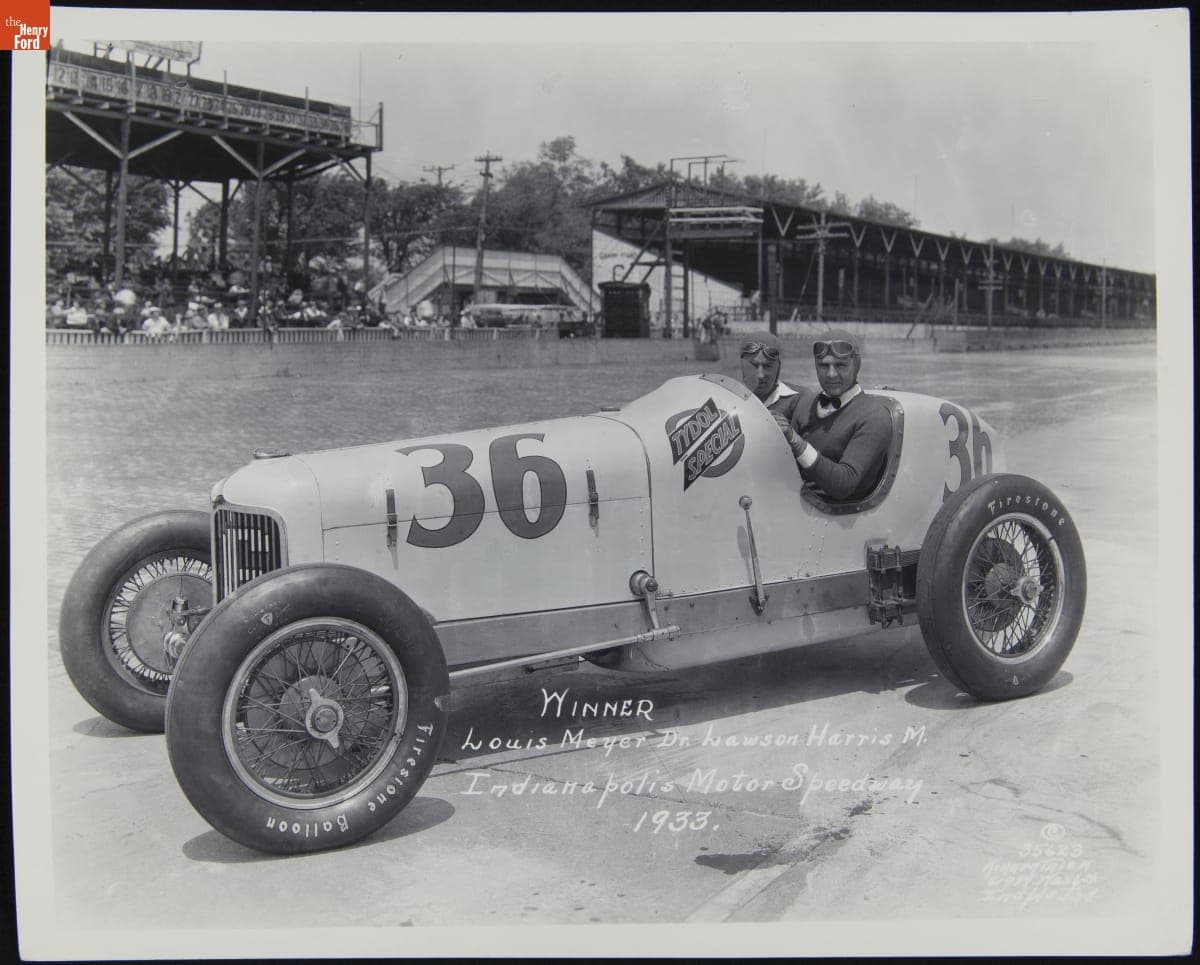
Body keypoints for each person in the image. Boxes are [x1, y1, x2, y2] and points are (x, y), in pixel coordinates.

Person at [776, 329, 892, 502]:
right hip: (792, 503)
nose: (831, 374)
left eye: (840, 365)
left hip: (835, 514)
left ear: (856, 366)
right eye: (823, 366)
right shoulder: (806, 403)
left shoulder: (874, 415)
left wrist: (797, 442)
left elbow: (844, 484)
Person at [738, 331, 806, 422]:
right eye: (753, 366)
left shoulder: (799, 400)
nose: (760, 375)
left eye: (767, 366)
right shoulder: (729, 400)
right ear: (742, 367)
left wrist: (792, 434)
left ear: (778, 367)